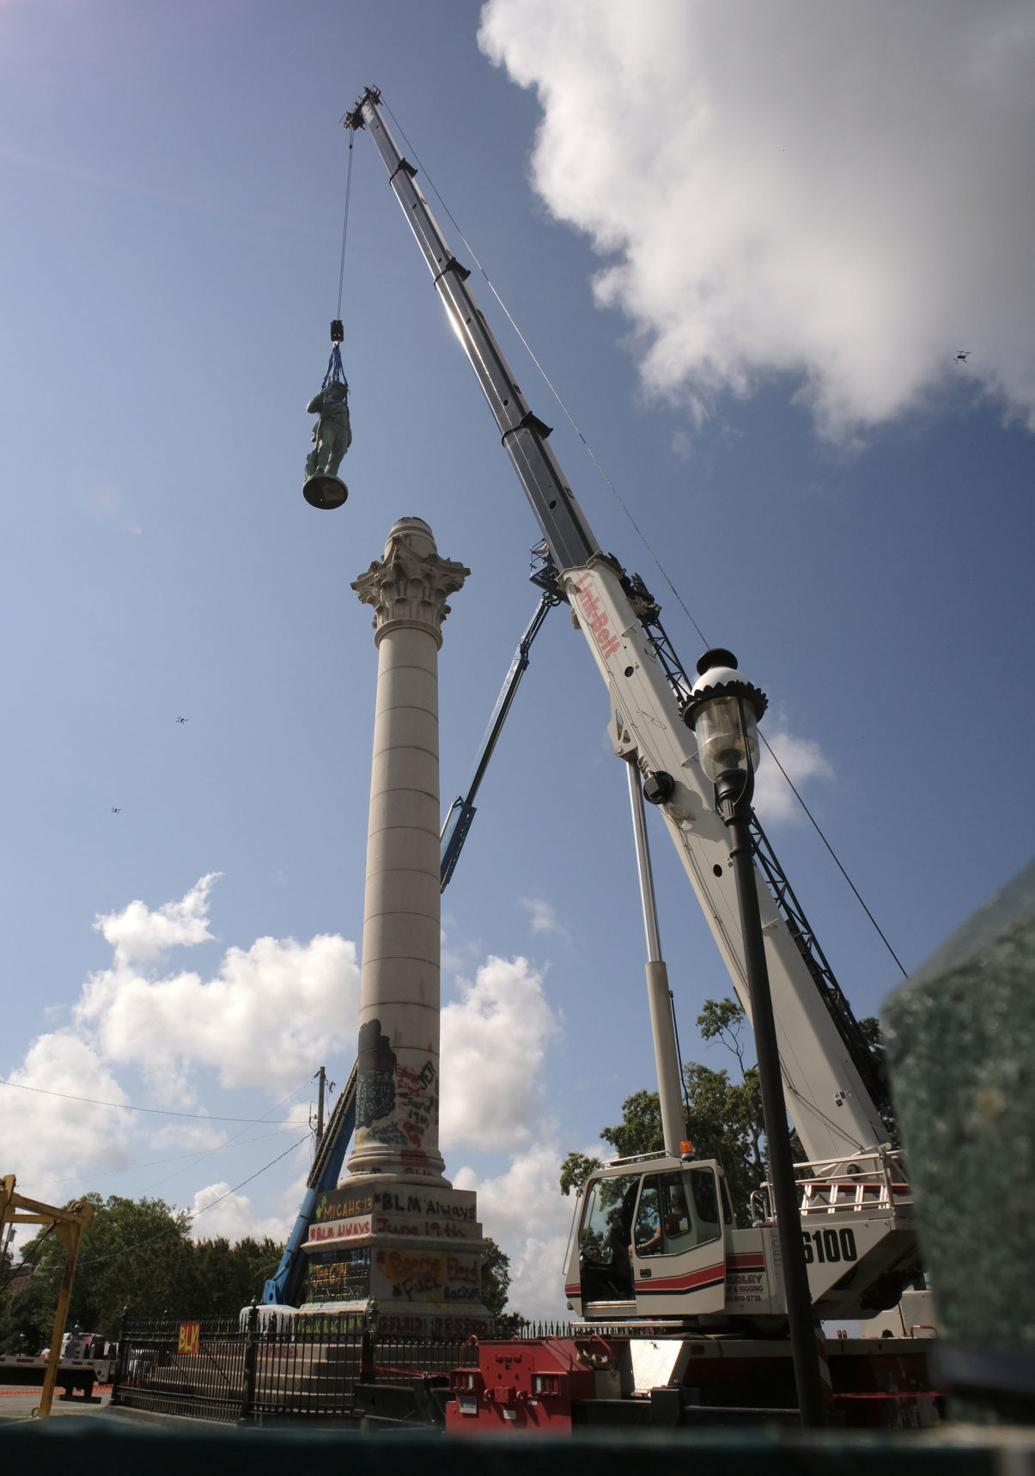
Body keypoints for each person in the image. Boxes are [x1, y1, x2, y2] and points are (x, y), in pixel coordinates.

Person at [305, 379, 352, 481]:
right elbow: (310, 408)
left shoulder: (344, 407)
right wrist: (324, 392)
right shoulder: (325, 402)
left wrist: (349, 436)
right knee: (326, 445)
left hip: (342, 431)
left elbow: (347, 422)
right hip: (328, 425)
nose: (341, 393)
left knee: (339, 454)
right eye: (338, 389)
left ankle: (331, 474)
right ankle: (320, 468)